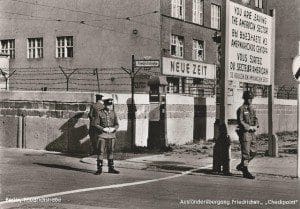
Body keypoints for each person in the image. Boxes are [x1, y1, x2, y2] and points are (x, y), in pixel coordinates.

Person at [93, 96, 120, 175]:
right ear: (104, 105)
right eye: (108, 105)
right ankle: (99, 169)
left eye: (110, 105)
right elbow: (96, 124)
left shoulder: (113, 113)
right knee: (100, 151)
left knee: (111, 151)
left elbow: (117, 124)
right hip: (102, 135)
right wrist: (103, 129)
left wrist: (113, 129)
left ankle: (111, 168)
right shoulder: (100, 112)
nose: (109, 107)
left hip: (111, 135)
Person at [236, 91, 259, 179]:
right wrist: (248, 127)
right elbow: (240, 121)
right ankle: (245, 171)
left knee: (254, 151)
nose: (250, 100)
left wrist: (256, 125)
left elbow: (256, 119)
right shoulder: (241, 109)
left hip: (252, 133)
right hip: (245, 133)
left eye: (251, 99)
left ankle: (242, 165)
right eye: (248, 99)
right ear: (245, 99)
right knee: (246, 153)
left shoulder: (252, 109)